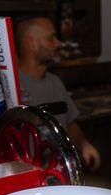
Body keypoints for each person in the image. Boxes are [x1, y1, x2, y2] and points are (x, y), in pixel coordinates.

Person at [15, 17, 101, 170]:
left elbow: (70, 122)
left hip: (60, 171)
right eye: (51, 38)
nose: (58, 43)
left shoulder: (54, 82)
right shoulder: (12, 85)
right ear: (32, 43)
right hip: (30, 175)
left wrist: (83, 144)